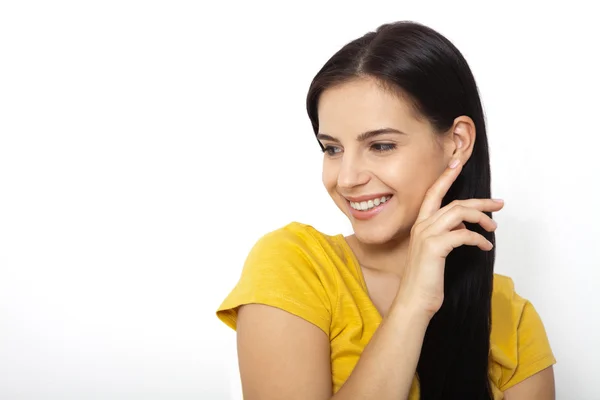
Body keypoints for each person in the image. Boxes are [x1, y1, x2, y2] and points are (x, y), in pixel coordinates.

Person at [216, 21, 556, 400]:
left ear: (457, 143)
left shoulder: (511, 318)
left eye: (380, 146)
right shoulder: (293, 266)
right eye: (332, 148)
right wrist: (413, 304)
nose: (346, 179)